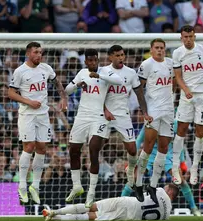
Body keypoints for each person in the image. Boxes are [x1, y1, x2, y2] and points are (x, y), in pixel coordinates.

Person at [8, 42, 68, 204]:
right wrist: (28, 101)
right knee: (29, 147)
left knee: (42, 148)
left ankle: (35, 186)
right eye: (36, 52)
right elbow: (10, 92)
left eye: (40, 52)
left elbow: (56, 82)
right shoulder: (20, 71)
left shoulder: (46, 68)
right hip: (27, 114)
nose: (39, 55)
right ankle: (21, 186)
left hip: (43, 115)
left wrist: (63, 97)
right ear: (28, 53)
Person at [64, 49, 122, 207]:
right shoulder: (82, 73)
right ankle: (77, 186)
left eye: (95, 60)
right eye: (89, 61)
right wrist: (77, 84)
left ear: (98, 60)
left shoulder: (106, 72)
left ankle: (91, 193)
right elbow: (67, 91)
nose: (92, 63)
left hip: (98, 117)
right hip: (82, 116)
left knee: (93, 149)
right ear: (86, 62)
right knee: (73, 150)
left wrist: (99, 76)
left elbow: (119, 81)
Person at [93, 45, 151, 200]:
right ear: (110, 57)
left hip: (123, 116)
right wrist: (105, 109)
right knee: (94, 148)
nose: (120, 58)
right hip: (104, 114)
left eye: (122, 55)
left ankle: (131, 174)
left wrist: (145, 113)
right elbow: (97, 94)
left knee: (132, 150)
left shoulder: (131, 73)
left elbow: (139, 94)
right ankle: (91, 190)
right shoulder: (103, 71)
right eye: (117, 55)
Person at [171, 25, 203, 186]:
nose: (188, 39)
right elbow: (177, 77)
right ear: (181, 38)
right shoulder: (177, 53)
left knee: (200, 132)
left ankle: (195, 168)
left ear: (194, 36)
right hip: (187, 96)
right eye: (185, 37)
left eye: (191, 36)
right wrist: (186, 90)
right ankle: (175, 166)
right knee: (181, 130)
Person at [123, 119, 201, 216]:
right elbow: (139, 140)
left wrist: (182, 161)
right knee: (134, 178)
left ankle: (194, 208)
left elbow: (178, 142)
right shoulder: (150, 122)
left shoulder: (174, 123)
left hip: (168, 155)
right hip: (150, 154)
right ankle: (121, 203)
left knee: (181, 181)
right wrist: (131, 160)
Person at [133, 38, 175, 203]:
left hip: (168, 111)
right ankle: (138, 183)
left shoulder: (171, 64)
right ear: (151, 49)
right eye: (157, 48)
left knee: (164, 147)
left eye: (162, 48)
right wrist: (144, 111)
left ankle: (152, 185)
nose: (159, 50)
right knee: (148, 147)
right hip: (153, 111)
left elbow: (175, 82)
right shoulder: (146, 65)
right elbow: (138, 89)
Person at [42, 184, 179, 221]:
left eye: (167, 187)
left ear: (170, 192)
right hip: (129, 216)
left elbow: (150, 189)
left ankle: (55, 212)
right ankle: (56, 218)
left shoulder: (161, 191)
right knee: (92, 217)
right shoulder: (166, 215)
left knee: (91, 206)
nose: (164, 187)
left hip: (127, 202)